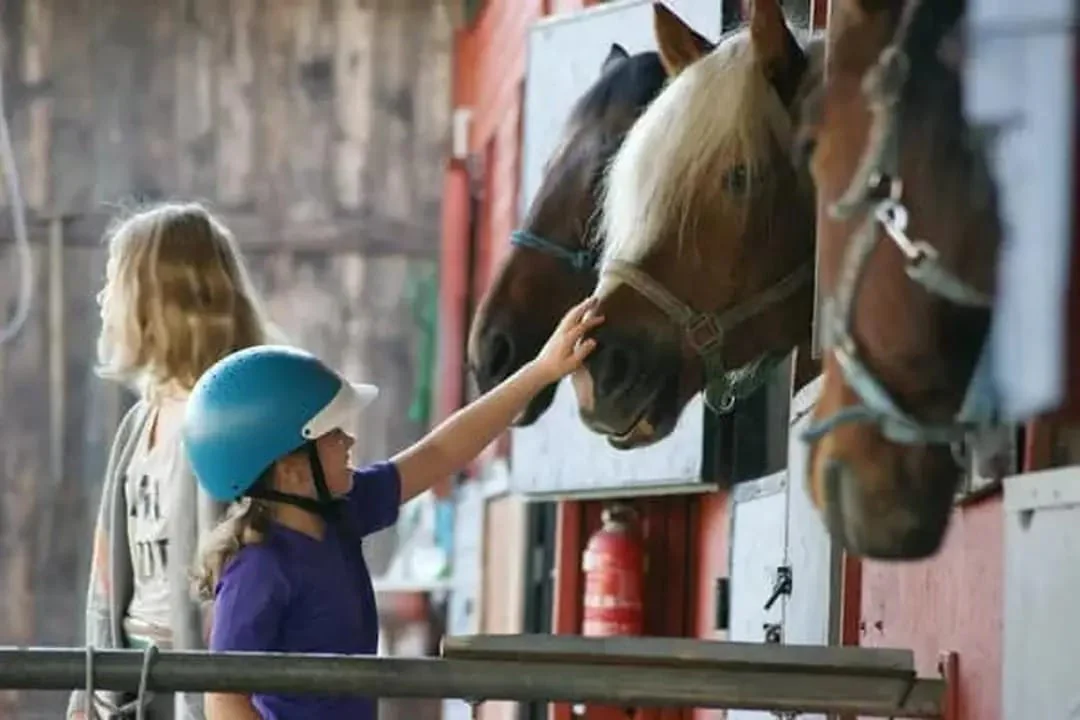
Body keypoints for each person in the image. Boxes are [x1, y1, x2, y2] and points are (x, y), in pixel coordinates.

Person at [183, 297, 603, 720]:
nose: (348, 441)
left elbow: (439, 452)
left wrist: (542, 371)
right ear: (290, 471)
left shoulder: (341, 515)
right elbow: (223, 697)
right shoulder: (258, 569)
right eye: (333, 434)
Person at [68, 202, 273, 720]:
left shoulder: (233, 419)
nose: (101, 297)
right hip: (128, 679)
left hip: (200, 683)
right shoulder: (138, 423)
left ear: (157, 298)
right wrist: (86, 695)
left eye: (114, 281)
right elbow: (107, 575)